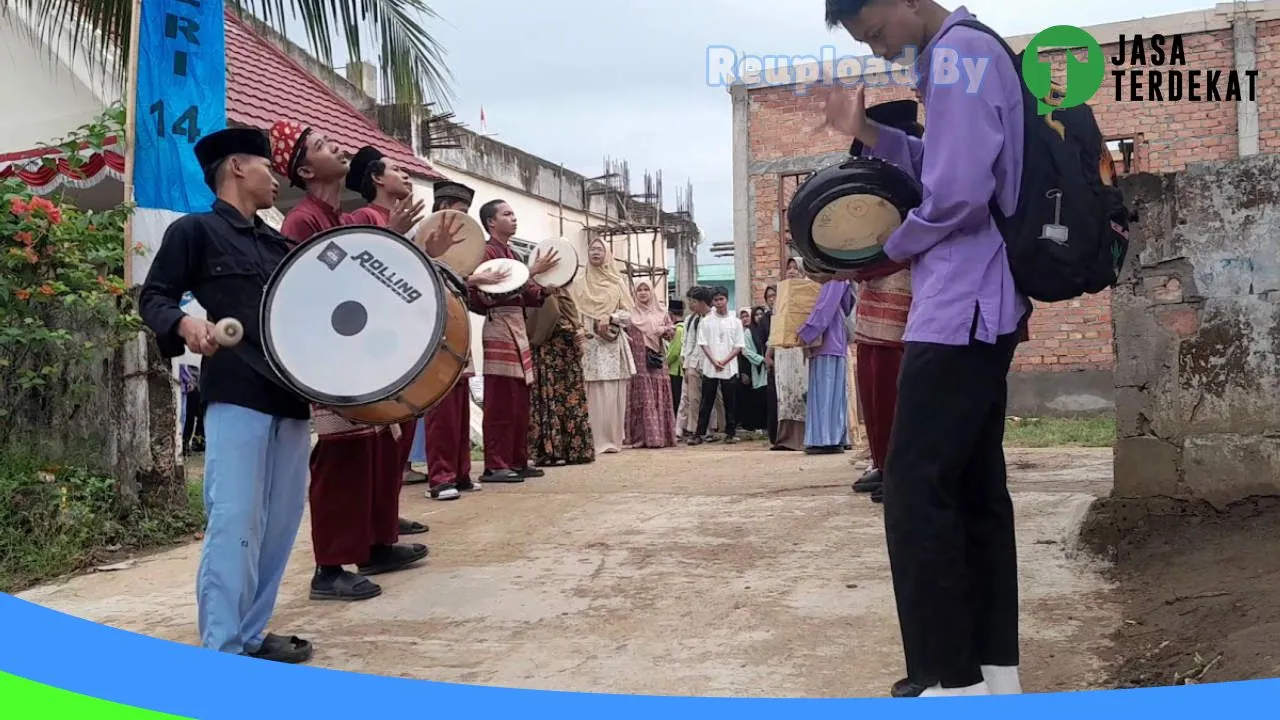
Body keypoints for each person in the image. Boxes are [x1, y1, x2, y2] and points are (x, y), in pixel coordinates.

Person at [819, 0, 1031, 698]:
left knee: (914, 489)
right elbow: (941, 168)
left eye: (876, 33)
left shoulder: (957, 56)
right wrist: (871, 134)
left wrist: (885, 246)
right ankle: (993, 676)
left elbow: (958, 196)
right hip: (978, 301)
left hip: (960, 305)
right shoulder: (960, 53)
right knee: (971, 489)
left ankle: (950, 679)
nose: (879, 51)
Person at [138, 126, 313, 663]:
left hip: (291, 395)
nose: (275, 177)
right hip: (236, 390)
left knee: (281, 523)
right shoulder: (196, 231)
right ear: (237, 166)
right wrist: (187, 325)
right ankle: (222, 648)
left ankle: (253, 633)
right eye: (266, 166)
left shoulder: (279, 243)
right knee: (236, 518)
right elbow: (155, 297)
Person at [272, 121, 427, 603]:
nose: (337, 148)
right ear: (303, 168)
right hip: (327, 359)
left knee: (374, 449)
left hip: (355, 356)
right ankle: (329, 567)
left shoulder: (339, 220)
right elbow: (310, 296)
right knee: (342, 456)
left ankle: (375, 544)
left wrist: (394, 242)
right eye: (322, 146)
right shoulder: (302, 221)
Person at [340, 144, 443, 521]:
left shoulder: (408, 224)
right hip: (377, 342)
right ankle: (377, 520)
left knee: (404, 425)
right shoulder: (362, 218)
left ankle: (387, 515)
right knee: (384, 432)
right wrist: (392, 233)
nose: (405, 174)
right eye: (397, 168)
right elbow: (362, 277)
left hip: (406, 339)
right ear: (377, 178)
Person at [843, 99, 921, 503]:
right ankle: (883, 461)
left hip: (908, 289)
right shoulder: (874, 180)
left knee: (898, 382)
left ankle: (902, 470)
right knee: (873, 377)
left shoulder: (914, 175)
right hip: (874, 289)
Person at [470, 199, 560, 482]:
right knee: (500, 400)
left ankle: (517, 459)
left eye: (513, 213)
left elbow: (529, 293)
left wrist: (545, 290)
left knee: (520, 400)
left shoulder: (511, 253)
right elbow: (488, 293)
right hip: (498, 324)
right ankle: (495, 464)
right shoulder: (485, 253)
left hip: (517, 325)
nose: (513, 218)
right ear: (491, 222)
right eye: (506, 214)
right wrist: (531, 273)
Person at [410, 179, 481, 490]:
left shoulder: (465, 247)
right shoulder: (421, 236)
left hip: (458, 320)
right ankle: (440, 477)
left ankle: (462, 472)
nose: (464, 217)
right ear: (443, 208)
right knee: (441, 405)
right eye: (460, 210)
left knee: (461, 401)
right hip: (434, 323)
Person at [573, 238, 637, 454]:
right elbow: (573, 312)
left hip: (611, 346)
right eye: (592, 249)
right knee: (590, 394)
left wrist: (610, 316)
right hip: (589, 345)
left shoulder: (616, 283)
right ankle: (591, 440)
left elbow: (630, 315)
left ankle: (611, 440)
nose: (595, 252)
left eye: (600, 249)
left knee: (611, 394)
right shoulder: (580, 282)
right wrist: (579, 328)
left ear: (607, 253)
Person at [525, 285, 595, 467]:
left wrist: (578, 331)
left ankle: (572, 450)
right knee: (550, 400)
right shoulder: (535, 292)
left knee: (569, 402)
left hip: (567, 357)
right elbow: (539, 326)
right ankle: (552, 451)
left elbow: (573, 318)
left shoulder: (565, 291)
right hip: (548, 354)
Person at [798, 279, 853, 454]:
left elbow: (825, 307)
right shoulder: (838, 277)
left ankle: (826, 439)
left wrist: (807, 331)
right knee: (831, 391)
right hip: (830, 339)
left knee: (826, 391)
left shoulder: (834, 277)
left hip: (828, 340)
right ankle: (832, 437)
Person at [623, 280, 678, 449]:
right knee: (642, 395)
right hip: (638, 361)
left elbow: (671, 334)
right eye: (639, 290)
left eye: (646, 289)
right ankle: (641, 438)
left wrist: (664, 330)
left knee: (658, 393)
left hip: (657, 361)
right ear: (634, 293)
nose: (643, 293)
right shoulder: (630, 314)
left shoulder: (661, 313)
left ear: (652, 292)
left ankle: (660, 436)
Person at [690, 286, 743, 445]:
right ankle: (699, 433)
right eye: (716, 300)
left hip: (729, 367)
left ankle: (730, 432)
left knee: (730, 402)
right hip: (710, 367)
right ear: (712, 301)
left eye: (722, 299)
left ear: (727, 299)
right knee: (706, 402)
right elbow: (703, 343)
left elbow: (739, 346)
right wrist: (714, 361)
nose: (719, 303)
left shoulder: (735, 322)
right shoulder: (706, 321)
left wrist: (725, 361)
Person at [767, 261, 809, 451]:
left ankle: (804, 437)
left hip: (801, 347)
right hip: (783, 350)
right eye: (788, 268)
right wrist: (770, 352)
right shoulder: (781, 295)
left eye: (795, 268)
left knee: (801, 390)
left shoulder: (808, 290)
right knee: (784, 394)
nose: (791, 271)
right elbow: (775, 326)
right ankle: (785, 438)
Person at [676, 286, 723, 440]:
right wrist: (685, 360)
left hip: (711, 363)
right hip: (693, 363)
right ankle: (695, 429)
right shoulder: (692, 319)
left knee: (711, 398)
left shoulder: (715, 318)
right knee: (692, 399)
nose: (691, 305)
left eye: (693, 301)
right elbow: (687, 342)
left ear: (703, 302)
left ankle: (711, 430)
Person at [759, 287, 779, 444]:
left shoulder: (784, 314)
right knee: (773, 399)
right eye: (769, 297)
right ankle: (774, 436)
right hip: (771, 360)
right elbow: (761, 340)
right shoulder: (765, 319)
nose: (772, 299)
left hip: (787, 358)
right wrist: (767, 358)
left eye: (774, 295)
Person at [664, 300, 686, 416]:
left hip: (676, 370)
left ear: (671, 314)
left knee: (676, 398)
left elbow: (674, 352)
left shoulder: (677, 329)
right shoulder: (686, 326)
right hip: (682, 369)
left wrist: (665, 363)